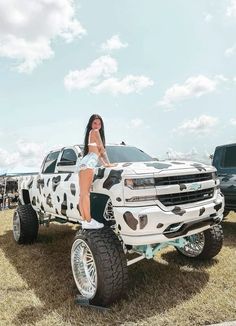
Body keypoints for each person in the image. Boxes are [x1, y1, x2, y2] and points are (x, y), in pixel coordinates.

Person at [78, 114, 116, 229]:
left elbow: (96, 153)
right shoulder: (95, 132)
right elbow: (101, 150)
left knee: (83, 194)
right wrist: (108, 164)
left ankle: (85, 220)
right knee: (86, 194)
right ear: (91, 124)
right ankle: (89, 221)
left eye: (99, 124)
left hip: (84, 163)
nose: (97, 126)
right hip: (88, 165)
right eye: (95, 123)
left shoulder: (90, 133)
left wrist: (104, 163)